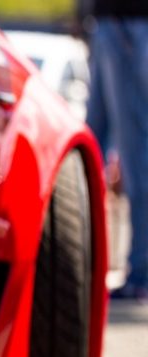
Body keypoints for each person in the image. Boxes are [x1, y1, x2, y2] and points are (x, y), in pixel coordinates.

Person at [86, 0, 148, 300]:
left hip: (130, 22)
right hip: (108, 22)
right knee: (88, 149)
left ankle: (142, 272)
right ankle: (82, 264)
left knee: (135, 154)